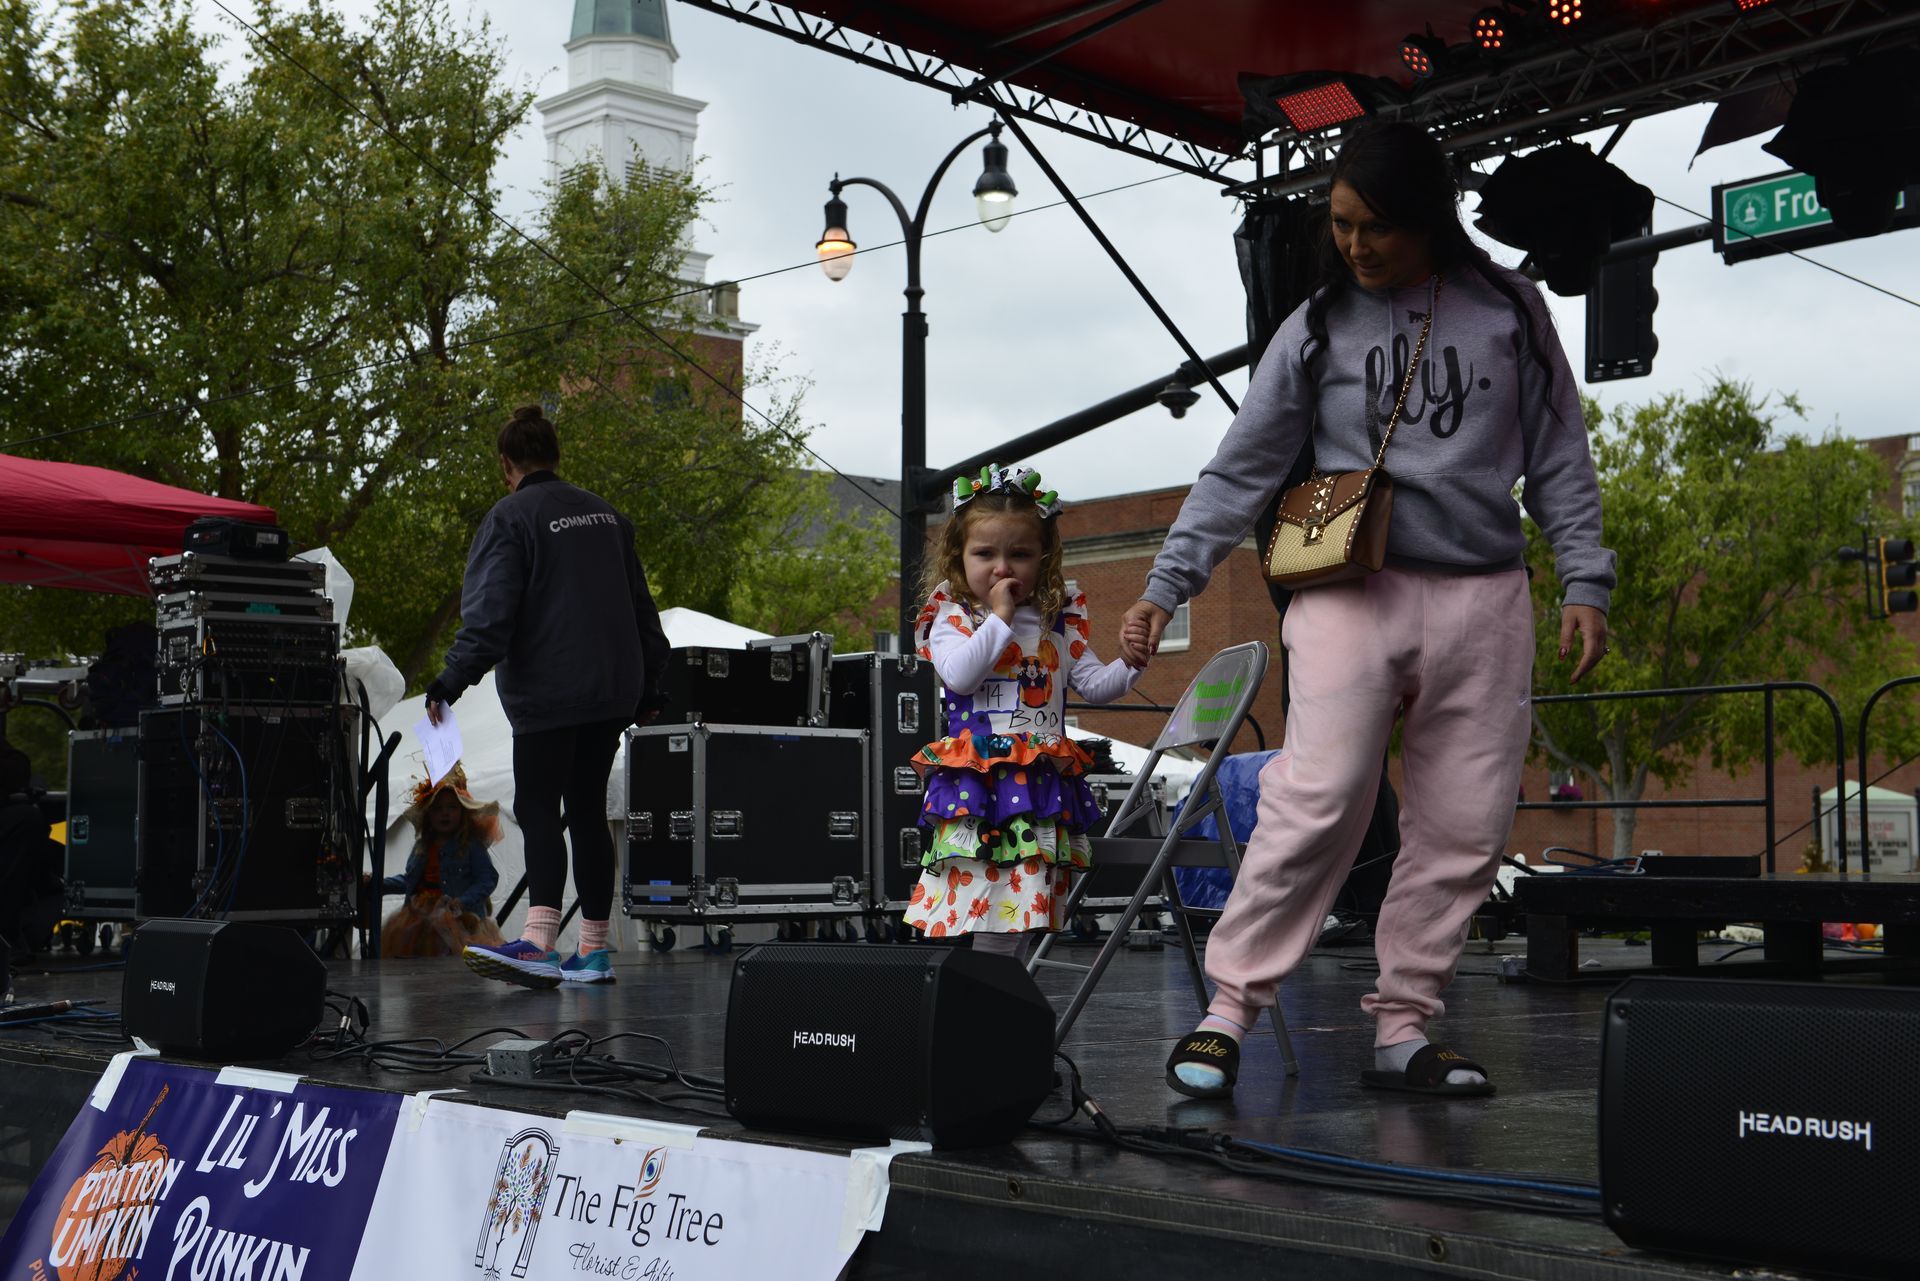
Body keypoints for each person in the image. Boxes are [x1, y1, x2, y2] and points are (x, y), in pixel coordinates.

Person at [1120, 122, 1614, 1099]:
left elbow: (1560, 452)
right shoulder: (1316, 325)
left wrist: (1586, 579)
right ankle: (1228, 1010)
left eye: (1375, 227)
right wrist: (1164, 584)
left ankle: (1405, 1028)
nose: (1354, 245)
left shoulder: (1510, 310)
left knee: (1464, 824)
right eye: (1341, 225)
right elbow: (1244, 464)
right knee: (1320, 797)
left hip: (1484, 595)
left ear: (1428, 218)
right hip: (1351, 589)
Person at [427, 404, 671, 990]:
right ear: (555, 456)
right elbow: (643, 611)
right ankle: (593, 953)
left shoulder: (511, 517)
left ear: (507, 464)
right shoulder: (609, 517)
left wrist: (449, 681)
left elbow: (490, 617)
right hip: (612, 691)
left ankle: (537, 943)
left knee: (540, 811)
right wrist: (652, 687)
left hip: (549, 692)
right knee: (587, 811)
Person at [905, 464, 1141, 953]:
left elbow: (1094, 685)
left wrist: (1133, 662)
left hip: (1037, 785)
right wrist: (1000, 618)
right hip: (984, 783)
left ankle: (997, 1000)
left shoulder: (1059, 620)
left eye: (1020, 554)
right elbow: (961, 675)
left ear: (1044, 557)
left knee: (1021, 910)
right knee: (985, 903)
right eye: (984, 553)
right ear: (958, 557)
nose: (1002, 567)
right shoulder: (953, 616)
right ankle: (987, 999)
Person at [380, 765, 505, 958]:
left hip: (459, 918)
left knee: (454, 966)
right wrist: (380, 884)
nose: (444, 813)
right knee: (421, 968)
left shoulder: (471, 846)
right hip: (420, 919)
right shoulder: (422, 846)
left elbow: (487, 878)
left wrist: (464, 901)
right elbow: (410, 880)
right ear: (429, 815)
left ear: (462, 813)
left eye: (452, 807)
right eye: (437, 808)